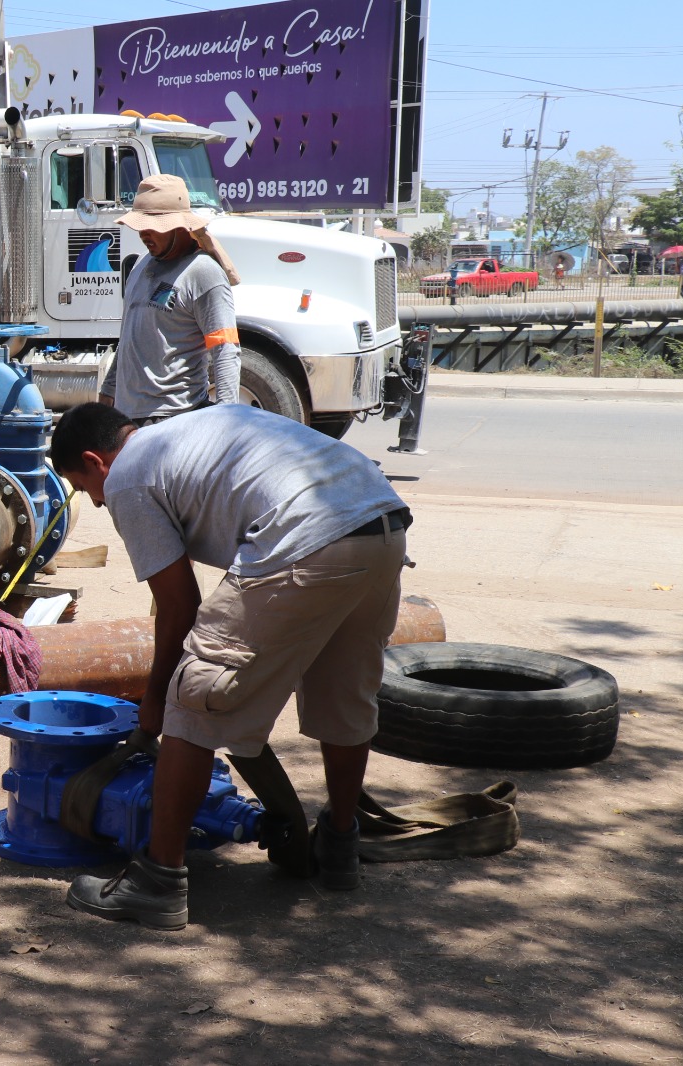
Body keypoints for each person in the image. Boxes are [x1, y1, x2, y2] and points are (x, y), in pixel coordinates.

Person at [48, 402, 411, 930]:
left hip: (308, 536)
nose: (98, 504)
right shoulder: (188, 431)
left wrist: (155, 700)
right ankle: (339, 845)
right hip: (381, 523)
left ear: (95, 461)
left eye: (85, 489)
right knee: (345, 696)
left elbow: (178, 608)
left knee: (194, 697)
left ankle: (157, 882)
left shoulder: (127, 477)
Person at [99, 174, 242, 426]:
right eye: (140, 226)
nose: (144, 234)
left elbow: (225, 348)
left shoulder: (203, 273)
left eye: (153, 227)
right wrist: (108, 393)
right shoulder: (141, 265)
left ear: (179, 226)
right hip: (128, 417)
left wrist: (226, 418)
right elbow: (129, 338)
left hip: (174, 418)